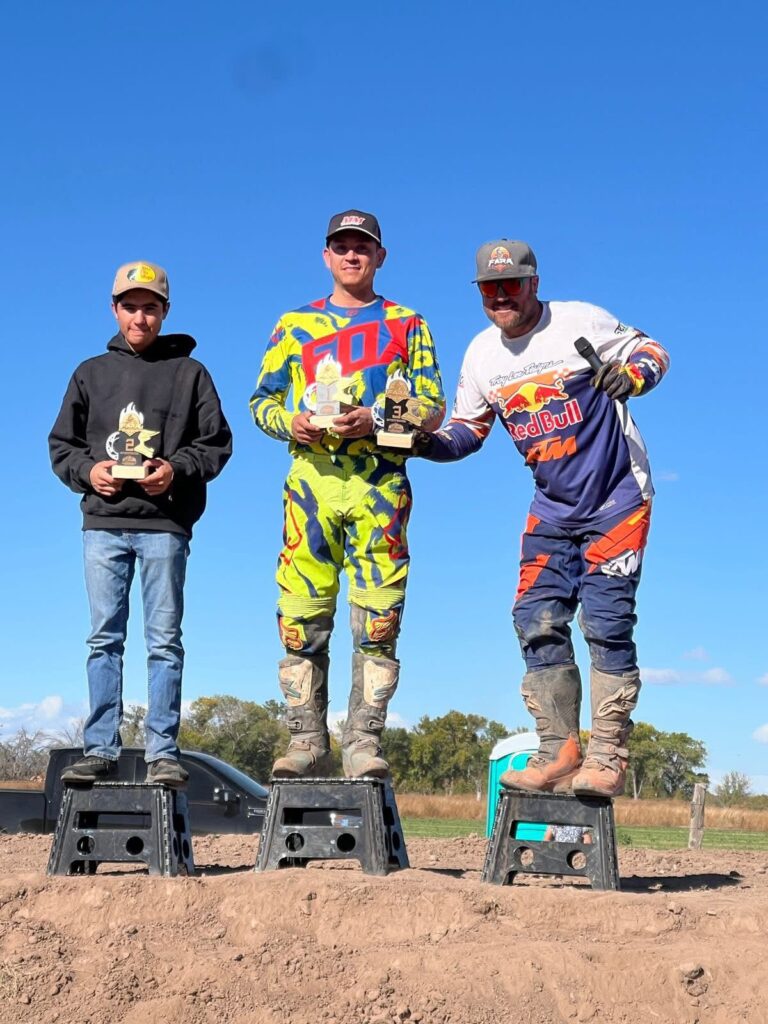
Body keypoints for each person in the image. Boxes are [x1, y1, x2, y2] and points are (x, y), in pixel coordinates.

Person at [416, 240, 669, 797]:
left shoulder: (580, 320)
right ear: (479, 293)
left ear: (534, 283)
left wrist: (633, 377)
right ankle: (558, 749)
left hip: (617, 498)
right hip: (551, 508)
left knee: (605, 623)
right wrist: (421, 443)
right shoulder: (482, 354)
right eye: (490, 288)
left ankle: (607, 754)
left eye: (511, 285)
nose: (501, 296)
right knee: (534, 618)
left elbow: (652, 349)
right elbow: (467, 432)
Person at [250, 210, 444, 778]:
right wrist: (291, 422)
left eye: (363, 247)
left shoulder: (408, 324)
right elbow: (261, 401)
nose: (352, 255)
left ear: (380, 256)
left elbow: (431, 407)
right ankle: (306, 741)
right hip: (309, 486)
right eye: (341, 246)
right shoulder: (293, 325)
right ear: (326, 255)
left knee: (378, 619)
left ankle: (363, 744)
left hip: (379, 485)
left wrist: (375, 417)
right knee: (300, 618)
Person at [49, 261, 232, 786]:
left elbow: (217, 444)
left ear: (164, 311)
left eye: (150, 307)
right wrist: (90, 472)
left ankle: (162, 754)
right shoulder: (90, 373)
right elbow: (62, 446)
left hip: (165, 525)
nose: (140, 316)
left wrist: (175, 470)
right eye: (130, 306)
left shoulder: (191, 374)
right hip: (102, 525)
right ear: (115, 309)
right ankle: (100, 749)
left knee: (164, 641)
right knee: (103, 638)